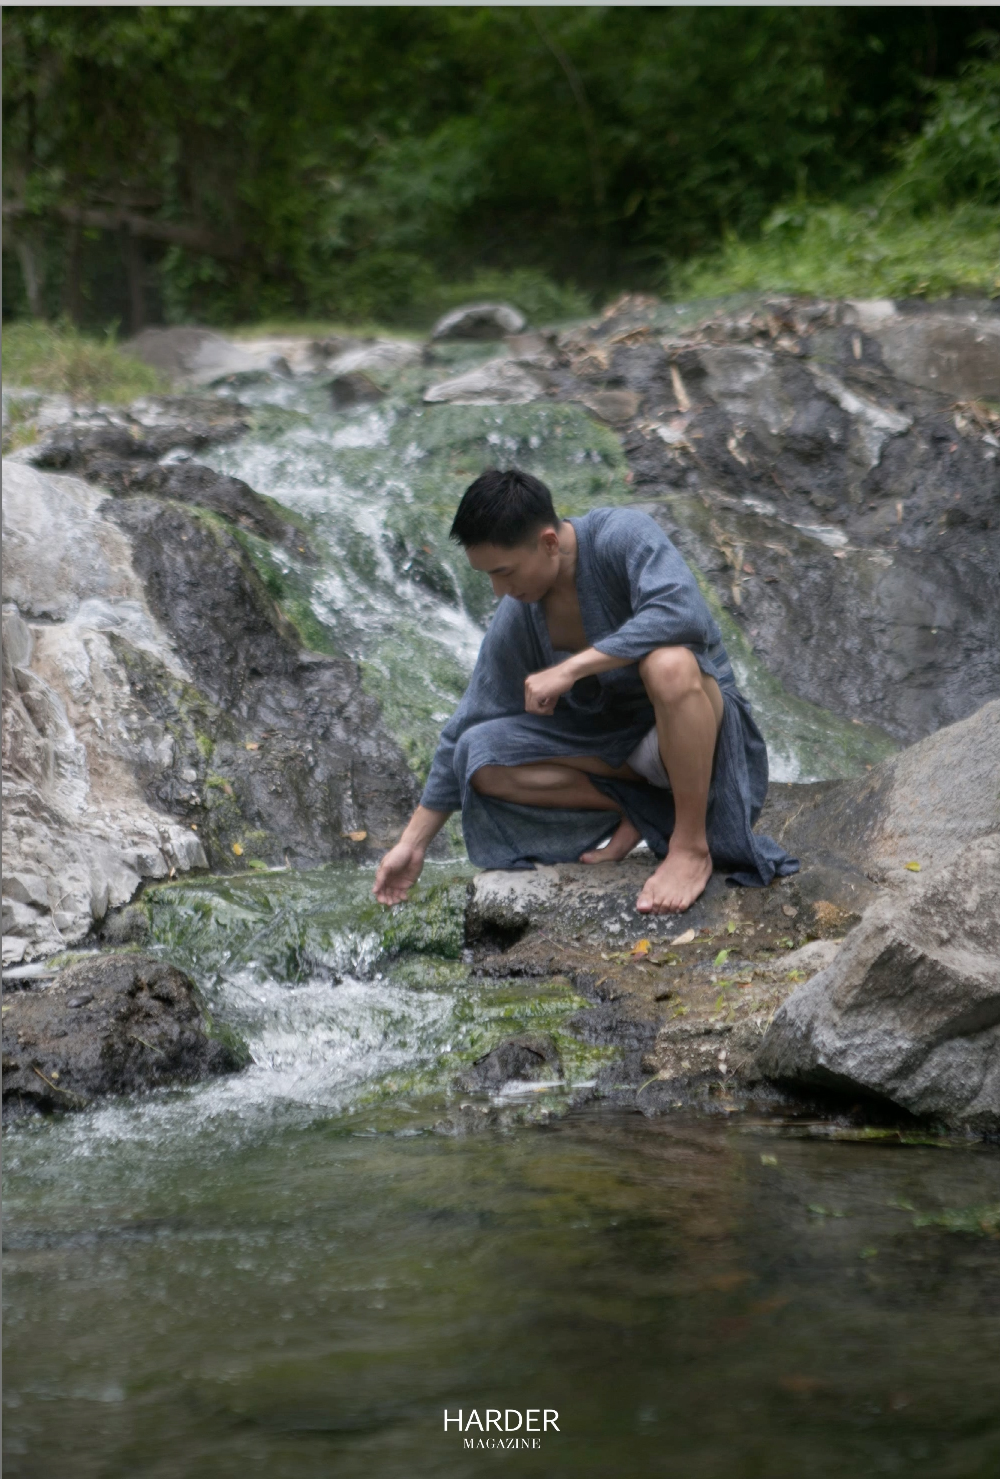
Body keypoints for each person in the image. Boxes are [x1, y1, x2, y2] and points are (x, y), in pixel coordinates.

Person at [374, 468, 796, 914]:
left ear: (548, 543)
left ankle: (690, 846)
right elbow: (467, 720)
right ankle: (639, 811)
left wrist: (572, 668)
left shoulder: (621, 535)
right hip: (617, 754)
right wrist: (413, 844)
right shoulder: (520, 613)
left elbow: (681, 613)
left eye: (504, 572)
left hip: (700, 734)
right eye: (488, 577)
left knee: (669, 664)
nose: (499, 591)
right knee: (476, 755)